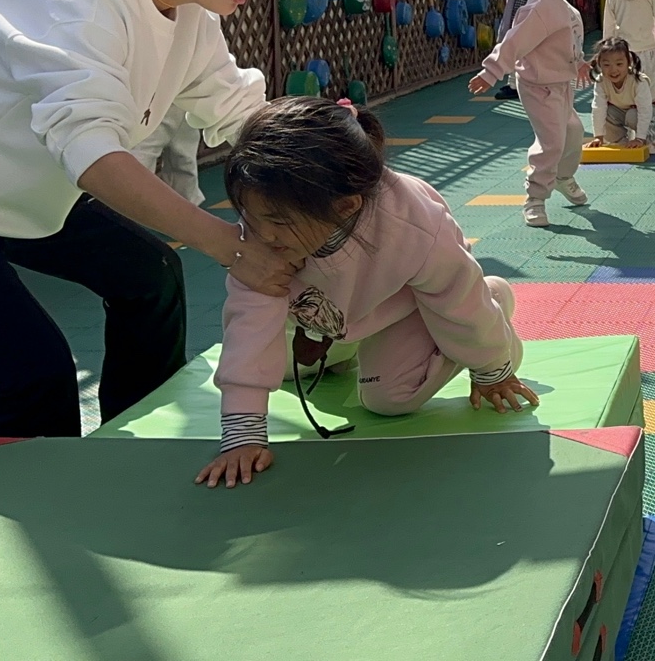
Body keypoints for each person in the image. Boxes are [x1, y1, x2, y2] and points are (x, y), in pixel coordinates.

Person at [0, 0, 297, 438]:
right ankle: (26, 484)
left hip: (12, 194)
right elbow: (95, 158)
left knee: (151, 277)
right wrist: (230, 246)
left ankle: (131, 441)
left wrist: (343, 166)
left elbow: (240, 113)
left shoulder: (188, 13)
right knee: (39, 373)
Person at [198, 98, 535, 488]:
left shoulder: (411, 225)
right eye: (248, 214)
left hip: (413, 308)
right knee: (283, 369)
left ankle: (495, 299)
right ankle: (343, 352)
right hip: (338, 319)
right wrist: (243, 435)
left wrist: (491, 368)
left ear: (345, 208)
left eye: (277, 221)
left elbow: (458, 297)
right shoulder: (267, 225)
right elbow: (249, 326)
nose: (262, 234)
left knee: (389, 397)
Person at [470, 0, 596, 228]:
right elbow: (514, 41)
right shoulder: (541, 6)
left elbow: (568, 40)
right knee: (551, 142)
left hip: (559, 84)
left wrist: (578, 62)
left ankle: (563, 177)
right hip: (539, 87)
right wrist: (491, 71)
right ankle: (535, 198)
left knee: (573, 133)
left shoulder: (559, 3)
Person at [587, 38, 655, 154]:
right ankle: (621, 140)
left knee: (633, 116)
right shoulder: (601, 81)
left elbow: (645, 110)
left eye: (619, 64)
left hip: (645, 111)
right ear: (599, 63)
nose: (613, 70)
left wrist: (640, 138)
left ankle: (650, 138)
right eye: (606, 65)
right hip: (619, 110)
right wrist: (598, 136)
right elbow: (598, 107)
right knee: (606, 113)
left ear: (629, 62)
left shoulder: (638, 81)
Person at [491, 0, 547, 101]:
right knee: (516, 54)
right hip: (519, 25)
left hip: (541, 26)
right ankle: (513, 85)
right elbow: (509, 7)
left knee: (539, 55)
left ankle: (537, 83)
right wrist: (504, 30)